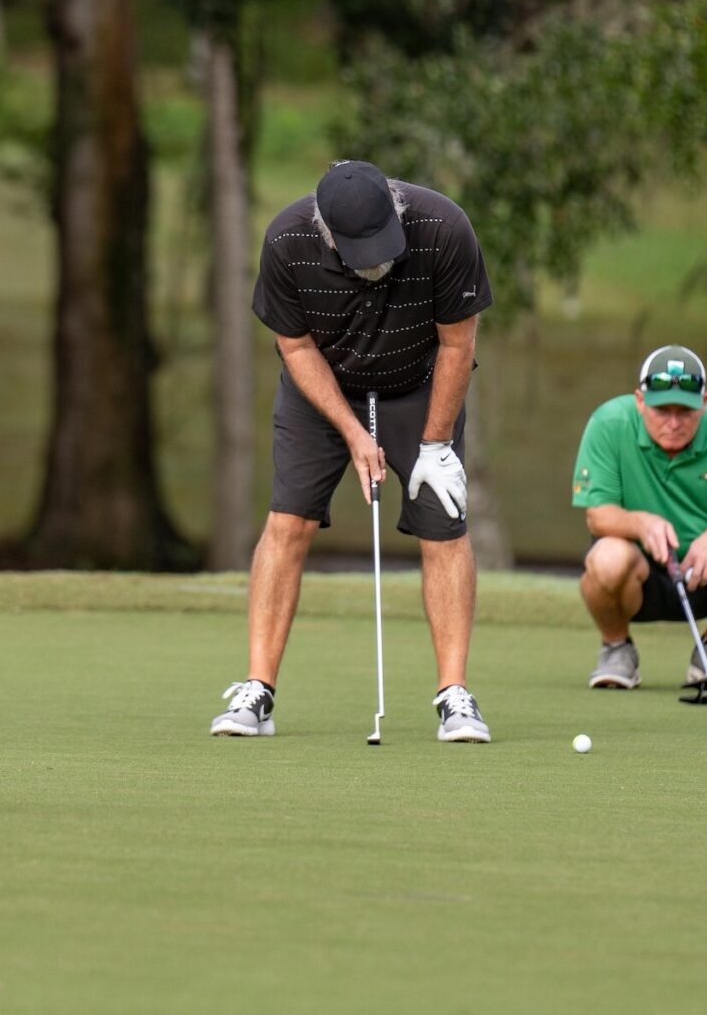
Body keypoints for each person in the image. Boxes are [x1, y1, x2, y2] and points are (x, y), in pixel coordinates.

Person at [211, 160, 496, 742]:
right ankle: (256, 692)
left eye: (383, 245)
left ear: (397, 212)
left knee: (445, 526)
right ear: (327, 235)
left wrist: (435, 445)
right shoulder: (287, 241)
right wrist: (349, 429)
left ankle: (454, 696)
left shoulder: (444, 228)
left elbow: (457, 343)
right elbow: (293, 346)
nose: (376, 261)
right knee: (287, 521)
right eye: (359, 251)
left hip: (421, 383)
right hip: (321, 386)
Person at [573, 346, 707, 694]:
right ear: (640, 401)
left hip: (706, 575)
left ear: (705, 402)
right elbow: (598, 515)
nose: (673, 422)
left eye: (685, 411)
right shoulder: (609, 423)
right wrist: (642, 523)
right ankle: (616, 648)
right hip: (638, 576)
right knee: (606, 557)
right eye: (661, 410)